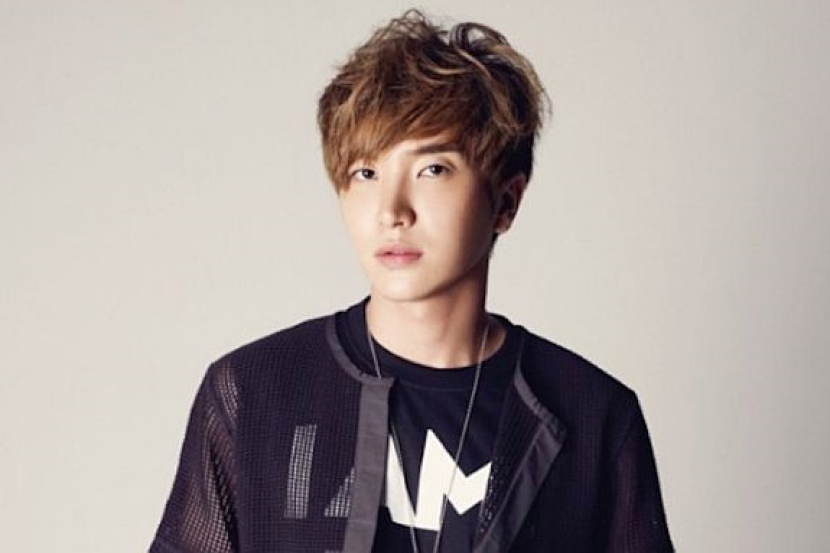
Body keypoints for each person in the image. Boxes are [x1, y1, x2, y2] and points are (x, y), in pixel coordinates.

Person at [150, 9, 674, 553]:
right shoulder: (255, 391)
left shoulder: (592, 415)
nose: (392, 211)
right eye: (366, 173)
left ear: (506, 201)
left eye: (432, 170)